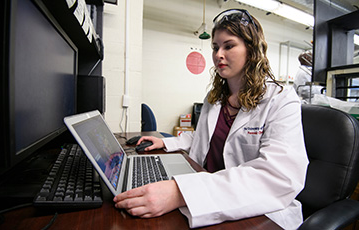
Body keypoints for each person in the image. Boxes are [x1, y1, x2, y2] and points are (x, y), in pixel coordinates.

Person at [113, 9, 308, 229]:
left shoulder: (280, 99)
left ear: (251, 49)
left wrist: (181, 193)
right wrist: (167, 142)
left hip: (257, 211)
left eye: (229, 45)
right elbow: (204, 137)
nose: (218, 55)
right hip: (203, 193)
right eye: (215, 47)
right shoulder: (215, 97)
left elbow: (278, 177)